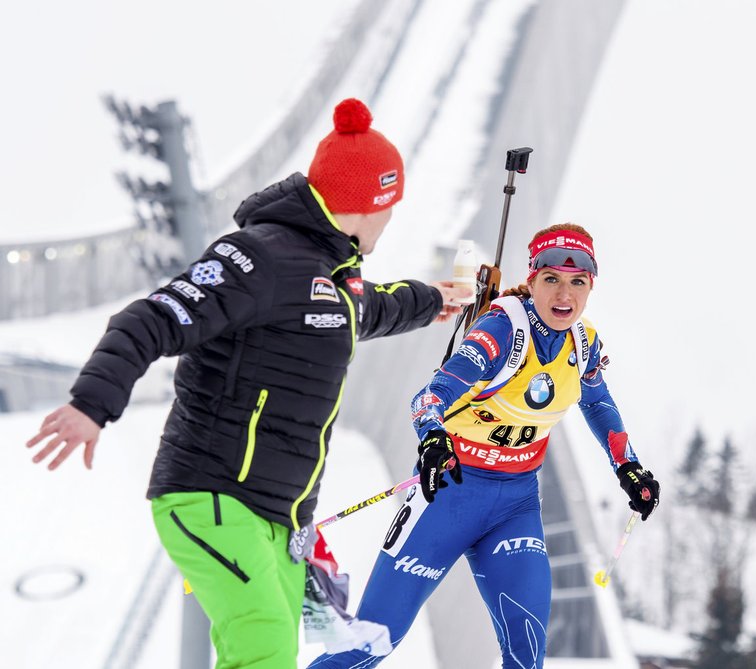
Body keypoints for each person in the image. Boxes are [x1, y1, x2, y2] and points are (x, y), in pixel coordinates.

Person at [26, 98, 467, 668]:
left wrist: (433, 300)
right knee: (263, 644)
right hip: (211, 493)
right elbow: (152, 317)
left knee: (273, 648)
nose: (391, 218)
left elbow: (367, 308)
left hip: (278, 518)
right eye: (391, 206)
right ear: (370, 203)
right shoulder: (257, 257)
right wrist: (92, 404)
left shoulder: (335, 275)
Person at [309, 222, 662, 669]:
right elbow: (429, 397)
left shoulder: (583, 342)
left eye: (578, 282)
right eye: (551, 279)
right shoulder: (501, 330)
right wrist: (434, 439)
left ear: (591, 287)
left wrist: (628, 468)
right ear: (532, 279)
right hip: (450, 496)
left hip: (515, 506)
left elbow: (597, 403)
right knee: (369, 645)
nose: (564, 295)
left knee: (527, 654)